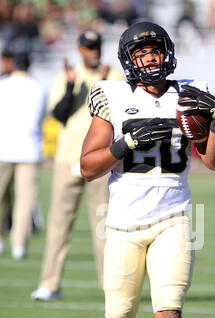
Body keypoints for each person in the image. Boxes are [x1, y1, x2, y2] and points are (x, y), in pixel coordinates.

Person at [80, 21, 215, 318]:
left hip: (175, 218)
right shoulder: (111, 94)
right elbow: (87, 167)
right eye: (142, 53)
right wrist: (125, 144)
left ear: (168, 52)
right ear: (129, 60)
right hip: (124, 223)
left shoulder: (190, 91)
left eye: (156, 51)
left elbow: (214, 162)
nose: (151, 58)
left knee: (170, 316)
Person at [31, 30, 124, 301]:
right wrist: (72, 86)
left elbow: (120, 113)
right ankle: (50, 283)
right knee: (59, 225)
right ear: (79, 49)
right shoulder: (65, 76)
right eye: (88, 47)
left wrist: (105, 81)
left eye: (96, 46)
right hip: (67, 158)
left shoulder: (114, 77)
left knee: (104, 227)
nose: (93, 51)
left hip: (101, 160)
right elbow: (59, 116)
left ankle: (111, 288)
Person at [0, 51, 46, 259]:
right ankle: (19, 243)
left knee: (2, 197)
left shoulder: (3, 85)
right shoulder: (38, 87)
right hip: (29, 148)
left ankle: (1, 239)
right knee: (25, 199)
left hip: (4, 147)